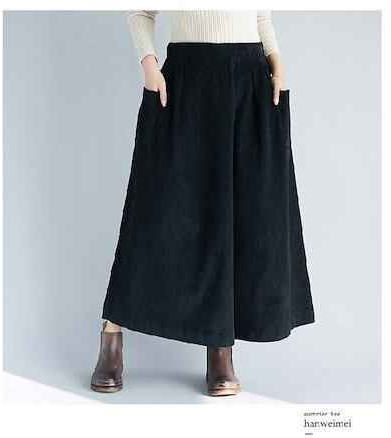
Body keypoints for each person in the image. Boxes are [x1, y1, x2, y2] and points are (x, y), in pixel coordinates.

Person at [91, 10, 315, 396]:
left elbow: (260, 16)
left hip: (251, 80)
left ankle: (220, 348)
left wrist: (276, 61)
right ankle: (112, 335)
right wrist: (149, 66)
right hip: (186, 76)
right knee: (154, 211)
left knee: (240, 218)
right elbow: (140, 11)